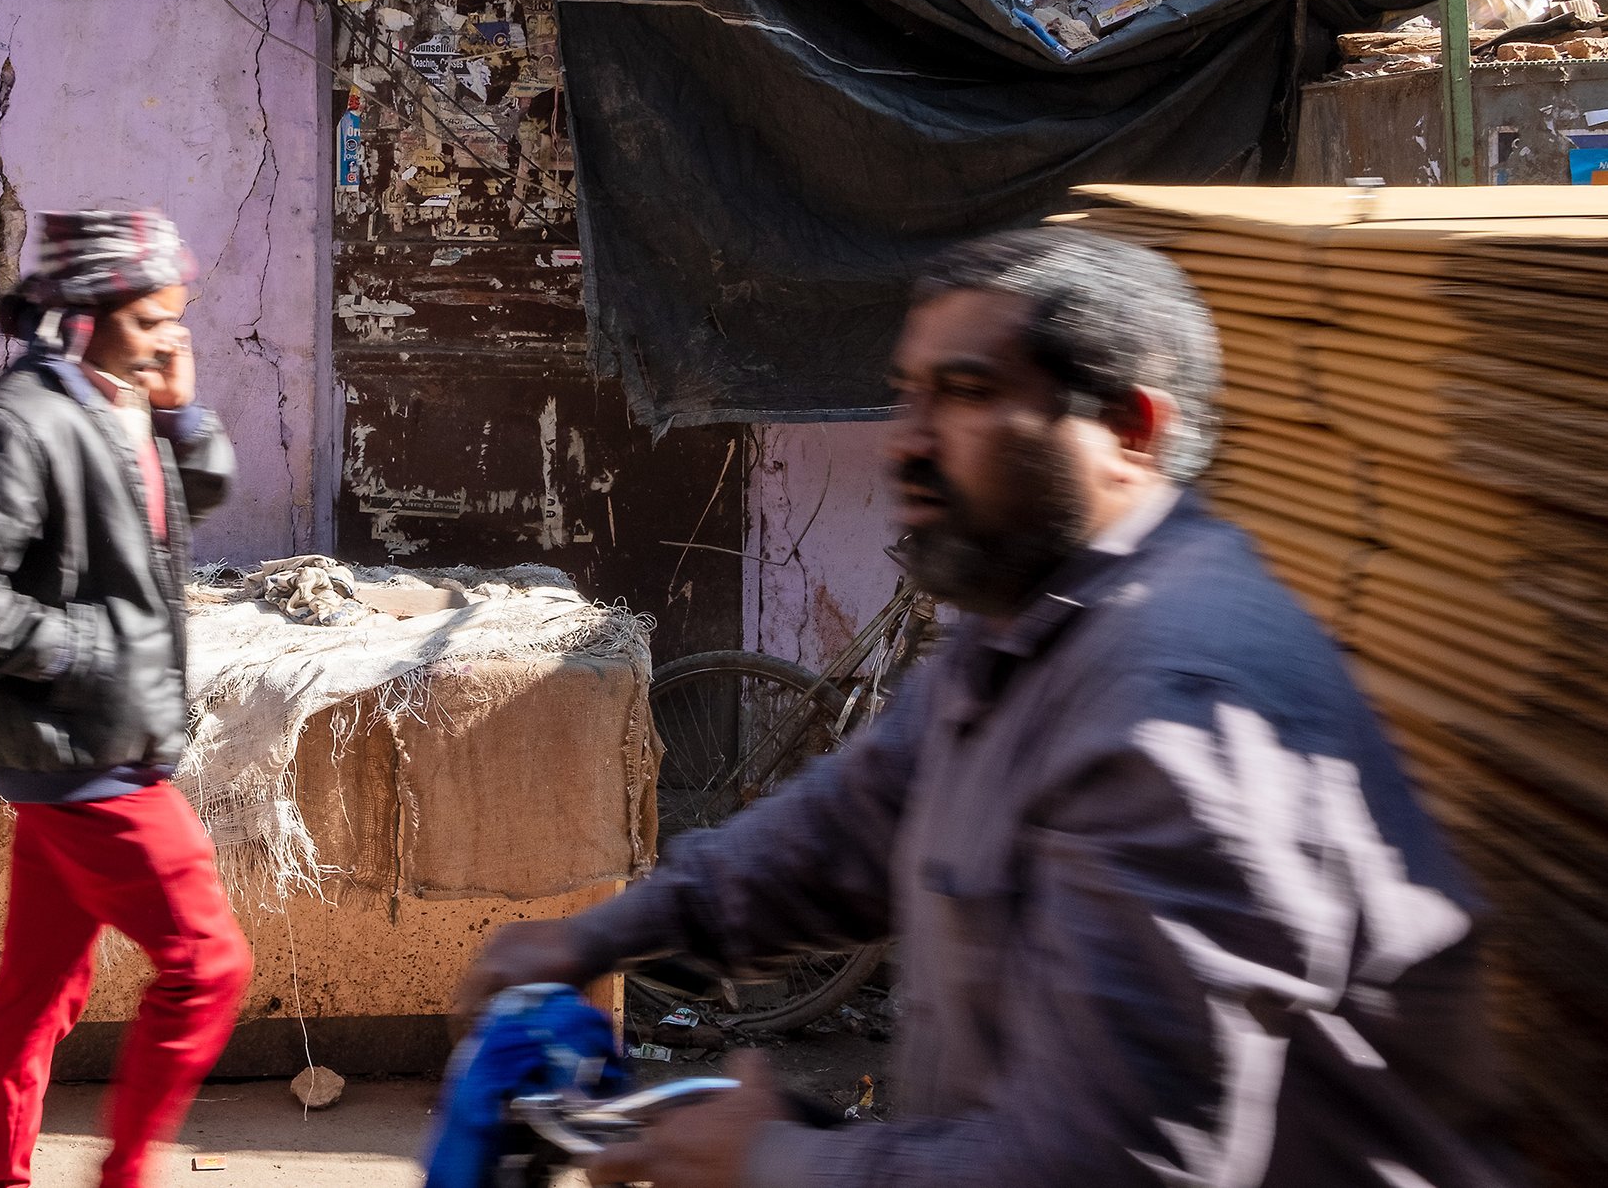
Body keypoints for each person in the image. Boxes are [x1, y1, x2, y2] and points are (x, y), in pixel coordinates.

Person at [458, 226, 1519, 1188]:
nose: (907, 441)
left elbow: (1112, 1166)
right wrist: (606, 930)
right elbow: (854, 821)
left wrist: (781, 1156)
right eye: (907, 392)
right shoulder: (1028, 622)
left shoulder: (1176, 708)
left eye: (965, 391)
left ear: (1132, 431)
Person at [0, 209, 250, 1188]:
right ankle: (124, 1172)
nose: (169, 338)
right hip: (86, 752)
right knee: (209, 965)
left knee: (39, 992)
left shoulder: (113, 399)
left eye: (178, 318)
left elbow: (199, 493)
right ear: (84, 320)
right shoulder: (27, 419)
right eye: (151, 322)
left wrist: (180, 407)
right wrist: (89, 651)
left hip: (77, 748)